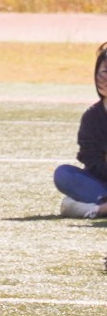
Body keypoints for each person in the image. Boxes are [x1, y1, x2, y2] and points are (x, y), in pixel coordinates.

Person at [57, 43, 107, 219]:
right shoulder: (91, 117)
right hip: (101, 185)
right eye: (103, 72)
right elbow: (92, 163)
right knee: (63, 174)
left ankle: (96, 209)